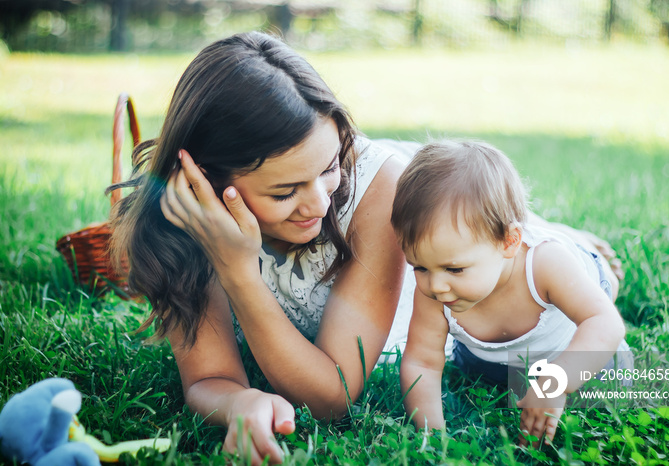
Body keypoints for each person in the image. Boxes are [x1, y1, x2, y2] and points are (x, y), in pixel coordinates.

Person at [108, 32, 623, 464]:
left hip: (433, 255)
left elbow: (332, 396)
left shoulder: (373, 190)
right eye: (285, 191)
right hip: (441, 263)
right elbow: (208, 379)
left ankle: (561, 244)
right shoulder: (184, 220)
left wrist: (240, 273)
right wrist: (239, 400)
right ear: (209, 181)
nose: (317, 203)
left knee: (492, 241)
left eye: (328, 166)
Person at [390, 140, 632, 448]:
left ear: (509, 242)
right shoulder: (437, 287)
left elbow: (604, 323)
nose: (434, 286)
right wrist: (432, 437)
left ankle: (595, 263)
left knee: (613, 381)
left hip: (567, 339)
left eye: (454, 269)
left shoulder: (544, 265)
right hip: (489, 357)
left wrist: (556, 382)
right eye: (419, 267)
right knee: (485, 380)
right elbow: (422, 362)